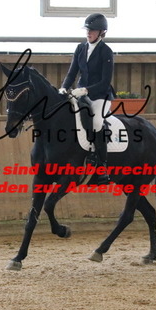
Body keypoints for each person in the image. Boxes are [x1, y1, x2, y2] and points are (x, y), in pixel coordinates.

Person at [59, 13, 115, 184]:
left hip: (100, 95)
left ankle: (102, 166)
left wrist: (86, 90)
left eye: (92, 30)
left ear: (101, 32)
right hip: (80, 92)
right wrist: (63, 88)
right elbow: (72, 73)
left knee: (96, 122)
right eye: (87, 30)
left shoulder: (106, 52)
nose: (88, 33)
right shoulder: (80, 48)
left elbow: (105, 81)